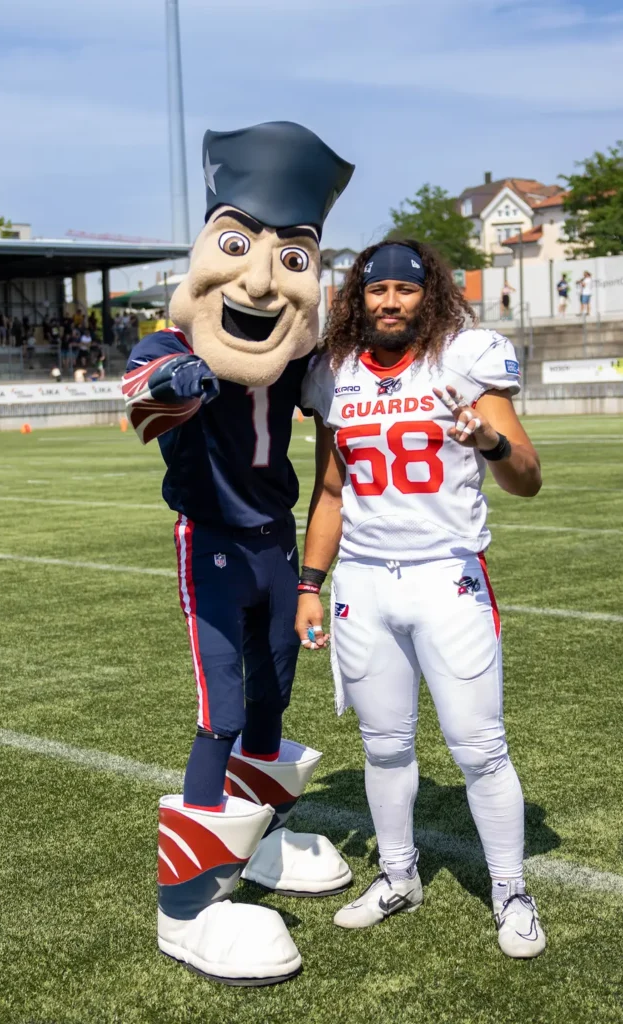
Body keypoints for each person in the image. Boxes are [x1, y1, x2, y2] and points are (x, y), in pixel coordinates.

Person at [122, 121, 354, 986]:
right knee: (221, 706)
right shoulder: (178, 344)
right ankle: (186, 903)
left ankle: (258, 844)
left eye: (289, 256)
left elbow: (333, 392)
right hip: (212, 540)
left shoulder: (294, 359)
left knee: (272, 699)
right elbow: (142, 391)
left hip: (274, 541)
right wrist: (172, 386)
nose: (261, 278)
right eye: (238, 244)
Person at [298, 240, 546, 960]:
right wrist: (308, 585)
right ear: (358, 298)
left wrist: (489, 442)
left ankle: (510, 891)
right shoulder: (332, 372)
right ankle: (397, 875)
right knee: (383, 748)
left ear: (426, 294)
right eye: (377, 291)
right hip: (364, 583)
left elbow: (528, 477)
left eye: (405, 290)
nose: (389, 302)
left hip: (446, 577)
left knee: (479, 749)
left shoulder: (465, 360)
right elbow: (331, 491)